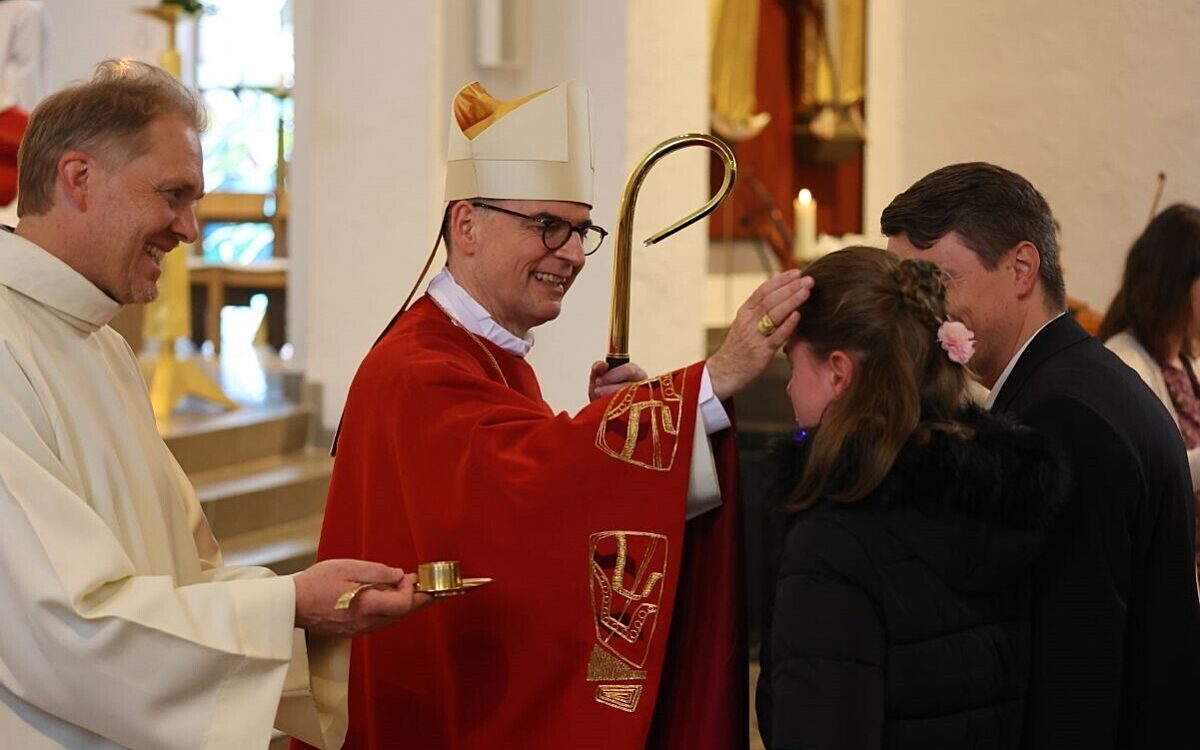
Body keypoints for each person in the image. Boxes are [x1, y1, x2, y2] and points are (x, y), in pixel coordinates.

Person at [297, 81, 812, 750]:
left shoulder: (486, 352)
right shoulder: (419, 366)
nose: (571, 252)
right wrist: (711, 382)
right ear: (467, 225)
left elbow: (522, 489)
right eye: (547, 225)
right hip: (428, 709)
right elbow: (526, 491)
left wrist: (615, 427)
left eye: (580, 230)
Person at [0, 59, 429, 750]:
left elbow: (185, 572)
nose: (190, 228)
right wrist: (288, 605)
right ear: (78, 179)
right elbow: (68, 626)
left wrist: (301, 606)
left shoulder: (103, 347)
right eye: (173, 195)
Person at [882, 162, 1200, 749]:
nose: (920, 314)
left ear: (1021, 268)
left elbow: (1074, 666)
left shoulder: (1062, 418)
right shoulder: (1083, 380)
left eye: (937, 281)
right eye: (907, 290)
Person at [756, 246, 1069, 749]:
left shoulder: (833, 541)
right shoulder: (999, 498)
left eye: (794, 364)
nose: (791, 387)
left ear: (838, 372)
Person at [1101, 203, 1200, 572]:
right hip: (1162, 570)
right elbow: (1151, 480)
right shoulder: (1126, 363)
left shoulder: (1188, 360)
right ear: (1176, 284)